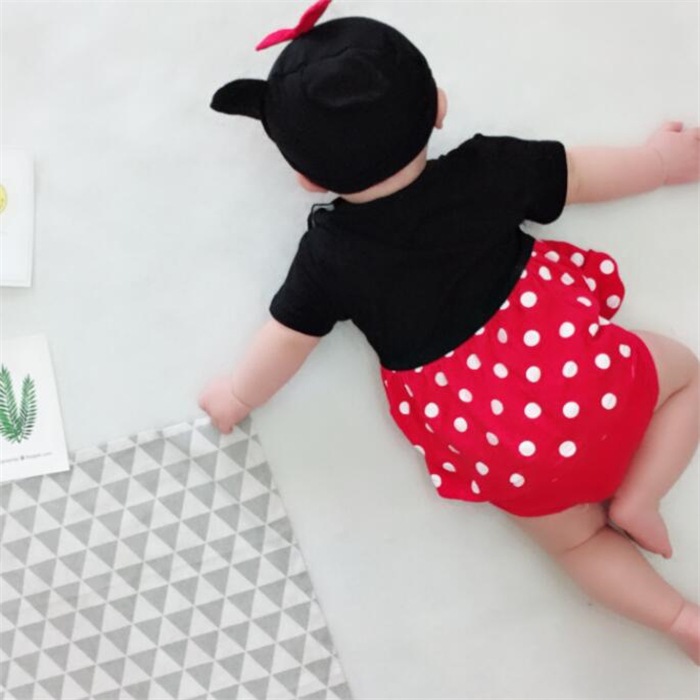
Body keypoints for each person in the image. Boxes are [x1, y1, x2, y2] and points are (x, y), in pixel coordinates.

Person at [199, 0, 700, 663]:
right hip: (592, 382)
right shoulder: (490, 168)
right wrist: (660, 162)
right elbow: (582, 174)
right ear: (438, 105)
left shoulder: (330, 257)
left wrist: (237, 395)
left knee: (578, 544)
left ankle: (678, 619)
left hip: (503, 446)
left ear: (306, 178)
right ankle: (641, 495)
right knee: (687, 375)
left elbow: (286, 338)